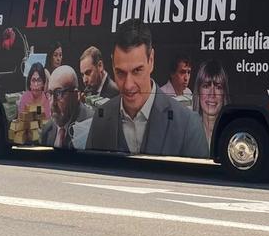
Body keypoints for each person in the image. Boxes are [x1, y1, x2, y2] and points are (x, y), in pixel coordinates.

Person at [85, 19, 209, 157]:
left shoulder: (189, 125)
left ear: (151, 60)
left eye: (137, 70)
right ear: (112, 63)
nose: (128, 85)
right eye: (120, 73)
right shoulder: (100, 117)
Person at [40, 65, 93, 149]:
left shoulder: (92, 129)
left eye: (59, 93)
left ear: (76, 95)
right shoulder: (47, 130)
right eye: (50, 94)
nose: (52, 103)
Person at [192, 60, 228, 142]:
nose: (212, 94)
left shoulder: (232, 130)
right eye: (206, 86)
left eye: (218, 87)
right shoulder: (187, 130)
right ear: (198, 91)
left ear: (224, 94)